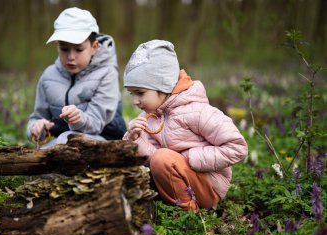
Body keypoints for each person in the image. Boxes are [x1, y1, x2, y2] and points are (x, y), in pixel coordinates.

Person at [123, 40, 248, 210]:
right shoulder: (147, 118)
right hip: (170, 182)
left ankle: (187, 215)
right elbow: (153, 159)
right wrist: (133, 140)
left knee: (162, 159)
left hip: (206, 187)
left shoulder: (197, 112)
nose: (135, 101)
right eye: (132, 94)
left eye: (140, 93)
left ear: (163, 86)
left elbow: (237, 147)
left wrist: (190, 158)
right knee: (138, 168)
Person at [27, 7, 126, 148]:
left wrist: (78, 119)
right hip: (61, 143)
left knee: (65, 140)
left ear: (94, 47)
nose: (71, 57)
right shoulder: (48, 76)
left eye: (79, 49)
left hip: (104, 140)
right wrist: (36, 128)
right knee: (50, 149)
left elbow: (96, 122)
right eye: (64, 49)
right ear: (57, 46)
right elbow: (38, 117)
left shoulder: (107, 73)